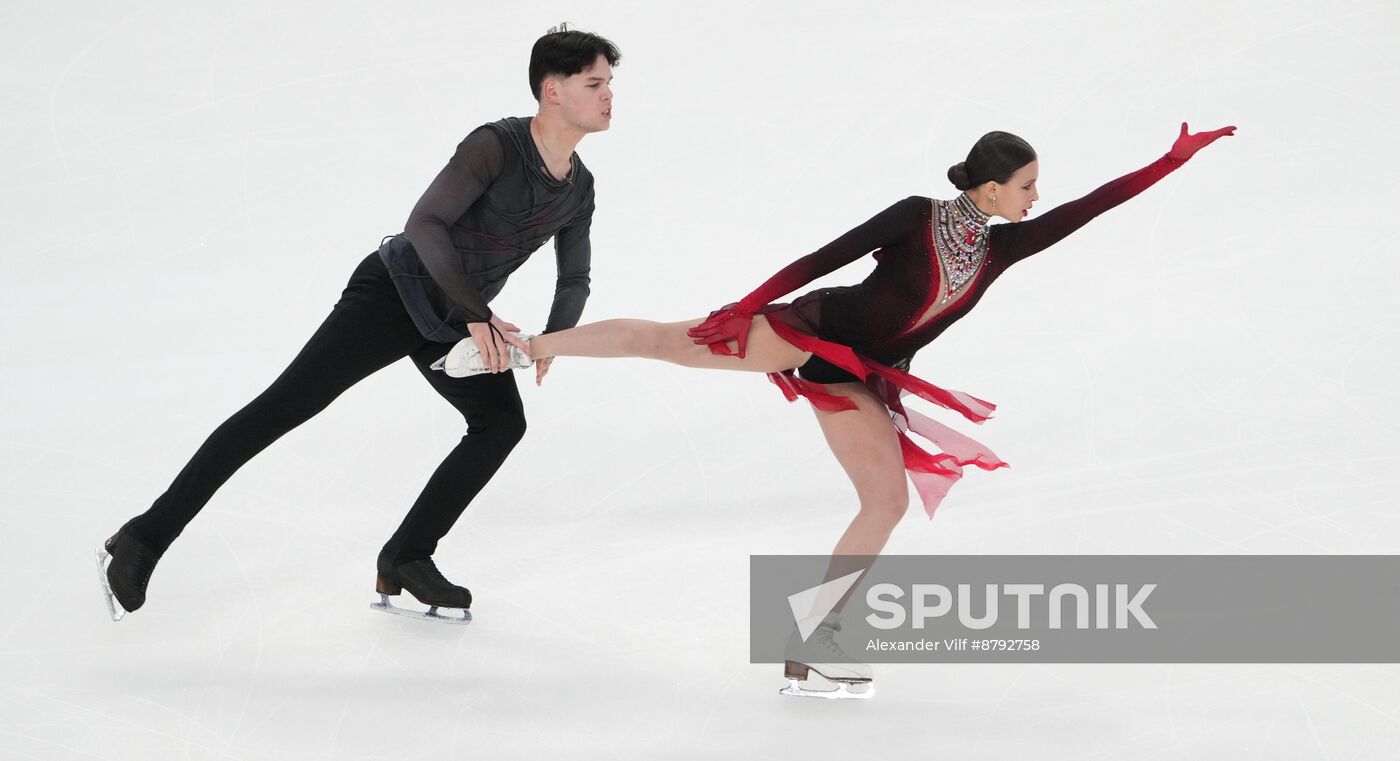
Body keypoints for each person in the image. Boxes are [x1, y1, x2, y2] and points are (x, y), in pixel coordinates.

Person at [441, 121, 1237, 692]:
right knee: (664, 339)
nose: (1037, 197)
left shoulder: (1002, 246)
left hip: (858, 371)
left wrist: (1169, 161)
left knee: (885, 501)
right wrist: (744, 306)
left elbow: (1088, 209)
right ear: (990, 185)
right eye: (1026, 185)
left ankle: (806, 644)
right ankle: (521, 347)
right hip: (804, 331)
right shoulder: (915, 215)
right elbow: (825, 257)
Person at [95, 24, 621, 624]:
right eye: (595, 83)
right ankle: (143, 536)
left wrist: (552, 340)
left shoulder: (579, 189)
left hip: (454, 313)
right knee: (282, 408)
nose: (609, 96)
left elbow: (573, 278)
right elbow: (425, 225)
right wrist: (478, 316)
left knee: (500, 422)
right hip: (394, 292)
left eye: (610, 84)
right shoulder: (495, 146)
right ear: (552, 90)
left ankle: (406, 556)